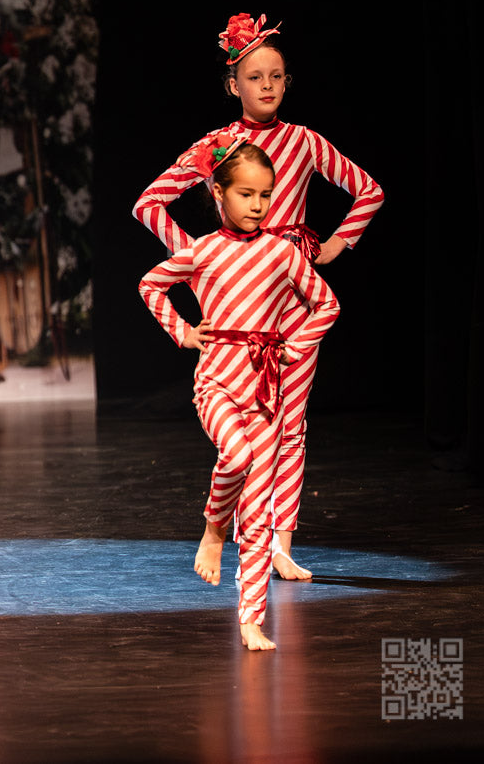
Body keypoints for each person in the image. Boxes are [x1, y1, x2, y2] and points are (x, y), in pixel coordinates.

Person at [132, 13, 383, 579]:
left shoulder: (305, 141)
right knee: (245, 427)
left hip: (294, 297)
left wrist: (336, 244)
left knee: (291, 424)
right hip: (242, 309)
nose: (267, 85)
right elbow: (148, 204)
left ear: (287, 81)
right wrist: (202, 263)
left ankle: (280, 544)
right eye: (254, 76)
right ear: (233, 85)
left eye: (276, 76)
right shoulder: (218, 147)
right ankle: (234, 533)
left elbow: (368, 191)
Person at [139, 138, 339, 651]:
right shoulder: (203, 251)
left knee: (258, 506)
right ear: (218, 192)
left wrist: (295, 346)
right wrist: (183, 332)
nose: (257, 204)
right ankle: (212, 530)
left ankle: (251, 618)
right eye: (246, 194)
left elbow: (327, 304)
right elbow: (150, 284)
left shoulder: (281, 252)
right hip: (218, 381)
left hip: (266, 389)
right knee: (236, 454)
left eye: (265, 195)